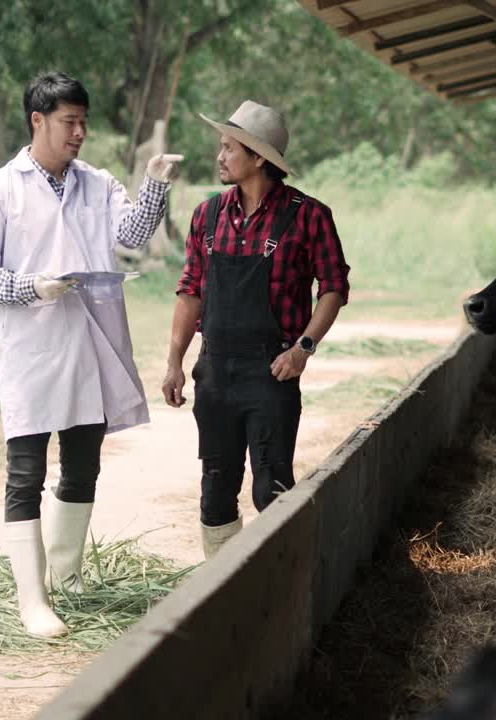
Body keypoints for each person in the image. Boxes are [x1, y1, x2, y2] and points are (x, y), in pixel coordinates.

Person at [0, 71, 183, 637]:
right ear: (38, 121)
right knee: (27, 471)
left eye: (84, 122)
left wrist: (154, 185)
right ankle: (31, 600)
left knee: (83, 465)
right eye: (69, 122)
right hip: (31, 346)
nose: (80, 132)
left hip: (89, 340)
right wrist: (30, 287)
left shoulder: (96, 183)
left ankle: (66, 574)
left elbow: (130, 233)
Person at [161, 100, 350, 559]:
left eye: (229, 148)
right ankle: (222, 587)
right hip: (216, 373)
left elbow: (334, 287)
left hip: (272, 373)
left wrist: (304, 348)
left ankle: (282, 582)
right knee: (215, 494)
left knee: (272, 489)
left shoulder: (309, 216)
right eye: (221, 147)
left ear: (259, 157)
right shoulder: (207, 216)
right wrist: (174, 362)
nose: (220, 156)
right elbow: (190, 291)